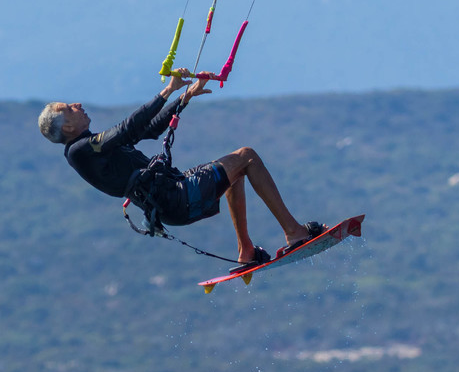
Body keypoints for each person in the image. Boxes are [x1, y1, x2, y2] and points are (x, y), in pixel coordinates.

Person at [38, 70, 321, 269]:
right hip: (176, 198)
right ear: (67, 128)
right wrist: (167, 90)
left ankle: (246, 251)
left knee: (234, 172)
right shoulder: (79, 151)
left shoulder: (91, 146)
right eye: (69, 108)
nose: (77, 104)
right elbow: (126, 128)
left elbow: (147, 129)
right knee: (247, 157)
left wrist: (184, 97)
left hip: (175, 195)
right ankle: (294, 233)